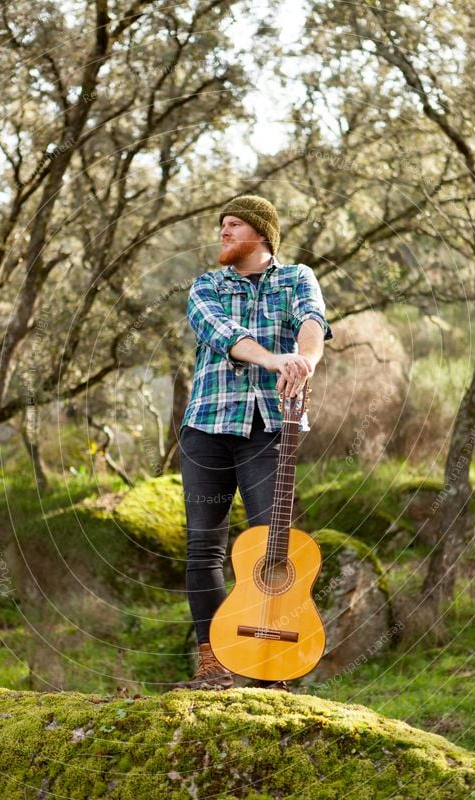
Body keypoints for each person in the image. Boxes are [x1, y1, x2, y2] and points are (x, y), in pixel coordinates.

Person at [173, 194, 333, 691]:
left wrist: (303, 361)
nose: (223, 232)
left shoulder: (297, 278)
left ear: (261, 234)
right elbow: (224, 334)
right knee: (204, 548)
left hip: (269, 427)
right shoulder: (207, 286)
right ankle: (214, 662)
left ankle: (271, 664)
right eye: (221, 224)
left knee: (273, 550)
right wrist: (275, 361)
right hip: (207, 426)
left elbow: (313, 322)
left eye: (233, 224)